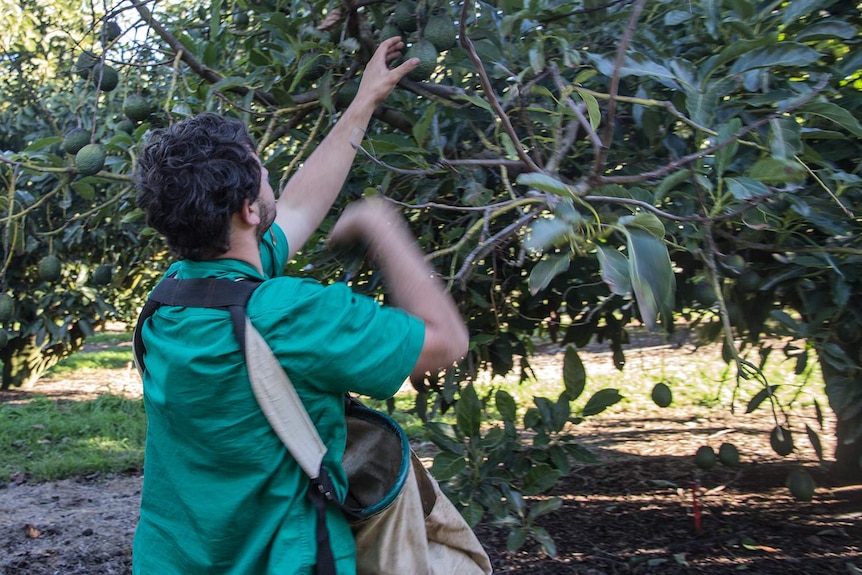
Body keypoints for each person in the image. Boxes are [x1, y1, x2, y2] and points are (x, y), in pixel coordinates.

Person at [131, 37, 470, 574]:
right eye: (260, 170)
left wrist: (363, 104)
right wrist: (382, 227)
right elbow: (446, 342)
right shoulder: (289, 315)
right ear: (246, 209)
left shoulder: (168, 301)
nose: (271, 177)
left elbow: (298, 207)